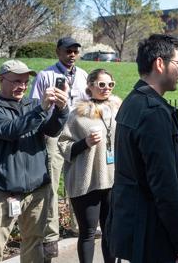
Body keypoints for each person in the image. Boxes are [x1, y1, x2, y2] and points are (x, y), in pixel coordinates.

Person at [107, 34, 178, 263]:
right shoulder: (153, 112)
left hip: (137, 228)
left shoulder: (133, 101)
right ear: (160, 63)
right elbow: (165, 184)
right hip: (154, 235)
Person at [0, 60, 68, 262]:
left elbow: (51, 130)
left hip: (36, 191)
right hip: (2, 191)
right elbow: (11, 130)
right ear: (1, 79)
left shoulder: (33, 105)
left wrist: (61, 110)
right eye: (17, 81)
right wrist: (41, 109)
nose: (23, 86)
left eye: (26, 82)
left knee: (34, 245)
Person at [29, 36, 88, 259]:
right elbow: (35, 105)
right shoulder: (46, 76)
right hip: (52, 133)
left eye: (75, 51)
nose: (72, 54)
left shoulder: (82, 76)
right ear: (58, 52)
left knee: (77, 179)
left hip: (75, 133)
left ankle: (79, 225)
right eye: (67, 50)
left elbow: (85, 103)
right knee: (52, 184)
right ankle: (50, 235)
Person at [57, 69, 121, 263]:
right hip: (87, 181)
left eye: (110, 84)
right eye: (101, 84)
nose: (106, 88)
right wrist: (85, 142)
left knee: (111, 230)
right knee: (88, 232)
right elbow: (63, 144)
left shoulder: (119, 110)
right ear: (90, 86)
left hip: (113, 179)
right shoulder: (77, 114)